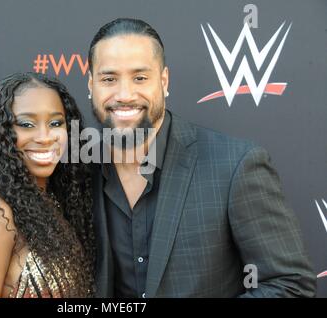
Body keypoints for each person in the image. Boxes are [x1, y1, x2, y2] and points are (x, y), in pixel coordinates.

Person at [87, 18, 316, 298]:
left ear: (164, 81)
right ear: (91, 85)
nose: (124, 94)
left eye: (140, 78)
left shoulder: (235, 165)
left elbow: (291, 283)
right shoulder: (76, 171)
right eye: (109, 79)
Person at [0, 72, 95, 297]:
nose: (45, 137)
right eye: (27, 124)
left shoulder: (49, 198)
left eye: (55, 122)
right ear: (1, 134)